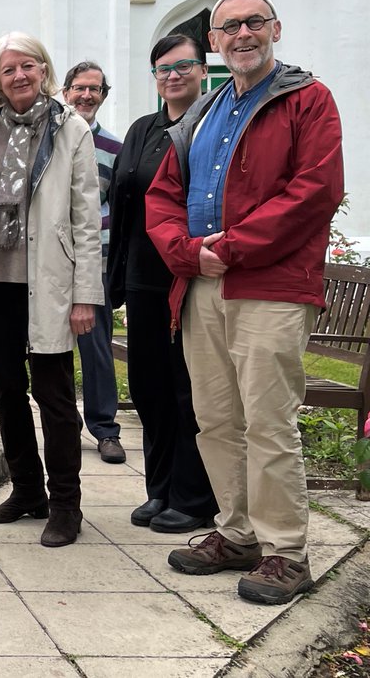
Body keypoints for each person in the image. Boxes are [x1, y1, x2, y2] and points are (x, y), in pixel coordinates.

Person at [146, 0, 343, 605]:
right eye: (229, 27)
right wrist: (185, 251)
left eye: (254, 22)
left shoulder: (307, 99)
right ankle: (237, 533)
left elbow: (315, 190)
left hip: (270, 285)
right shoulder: (202, 112)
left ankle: (286, 550)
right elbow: (163, 194)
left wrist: (229, 247)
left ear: (275, 29)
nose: (242, 34)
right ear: (214, 42)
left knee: (268, 420)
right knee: (217, 419)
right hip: (202, 284)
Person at [0, 33, 103, 548]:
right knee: (6, 390)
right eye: (8, 70)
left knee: (54, 396)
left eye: (28, 66)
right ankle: (27, 490)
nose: (19, 76)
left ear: (44, 70)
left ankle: (66, 505)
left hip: (48, 281)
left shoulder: (70, 129)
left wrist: (85, 294)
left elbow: (86, 218)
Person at [107, 35, 218, 534]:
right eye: (163, 69)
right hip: (143, 279)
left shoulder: (211, 126)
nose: (172, 76)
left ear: (203, 70)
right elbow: (122, 206)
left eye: (183, 66)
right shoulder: (143, 129)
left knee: (188, 388)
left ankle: (193, 497)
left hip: (189, 277)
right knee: (149, 387)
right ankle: (160, 488)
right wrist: (116, 278)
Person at [62, 61, 125, 464]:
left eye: (95, 89)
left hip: (95, 263)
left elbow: (118, 211)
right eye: (80, 88)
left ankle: (105, 429)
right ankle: (63, 424)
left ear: (103, 95)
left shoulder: (114, 149)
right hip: (51, 263)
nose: (87, 95)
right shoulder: (51, 139)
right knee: (50, 350)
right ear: (65, 92)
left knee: (97, 347)